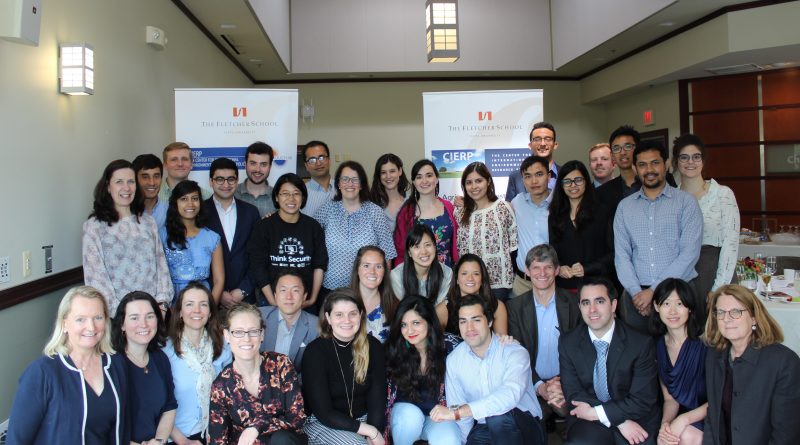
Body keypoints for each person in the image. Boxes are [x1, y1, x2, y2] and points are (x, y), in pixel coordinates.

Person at [8, 286, 130, 445]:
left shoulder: (116, 364)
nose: (91, 327)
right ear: (64, 323)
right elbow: (16, 440)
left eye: (98, 317)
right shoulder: (41, 373)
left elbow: (122, 429)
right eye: (81, 319)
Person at [614, 140, 703, 334]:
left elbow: (689, 253)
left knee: (680, 356)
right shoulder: (624, 207)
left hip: (679, 294)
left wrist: (653, 291)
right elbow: (622, 256)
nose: (649, 170)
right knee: (639, 359)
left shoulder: (686, 203)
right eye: (643, 165)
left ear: (667, 164)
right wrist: (637, 293)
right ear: (635, 169)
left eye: (655, 163)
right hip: (636, 298)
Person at [558, 276, 661, 445]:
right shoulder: (568, 342)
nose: (592, 310)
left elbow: (642, 399)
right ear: (579, 307)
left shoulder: (640, 343)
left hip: (635, 417)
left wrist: (601, 414)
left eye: (599, 301)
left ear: (613, 305)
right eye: (585, 303)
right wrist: (618, 421)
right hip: (589, 419)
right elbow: (574, 394)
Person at [431, 294, 545, 445]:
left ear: (490, 321)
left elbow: (509, 395)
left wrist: (457, 412)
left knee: (498, 418)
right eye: (463, 321)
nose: (469, 328)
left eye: (476, 320)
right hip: (485, 429)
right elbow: (460, 412)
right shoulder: (454, 360)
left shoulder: (514, 352)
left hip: (525, 427)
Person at [703, 284, 800, 445]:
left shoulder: (784, 362)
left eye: (736, 312)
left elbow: (786, 434)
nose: (726, 319)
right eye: (720, 312)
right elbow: (713, 419)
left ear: (754, 317)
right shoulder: (715, 356)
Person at [82, 159, 173, 313]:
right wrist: (122, 315)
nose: (126, 187)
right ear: (108, 187)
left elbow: (161, 265)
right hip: (117, 316)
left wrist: (162, 305)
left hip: (152, 312)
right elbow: (95, 277)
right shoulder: (94, 226)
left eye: (131, 181)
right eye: (119, 182)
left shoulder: (147, 222)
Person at [209, 303, 307, 445]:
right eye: (238, 332)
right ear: (227, 336)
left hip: (285, 442)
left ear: (262, 334)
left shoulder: (281, 364)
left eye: (253, 331)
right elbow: (218, 440)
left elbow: (297, 418)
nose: (247, 339)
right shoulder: (220, 386)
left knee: (281, 439)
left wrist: (257, 427)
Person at [302, 290, 387, 445]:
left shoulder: (373, 346)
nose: (346, 320)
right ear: (328, 318)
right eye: (339, 314)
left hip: (364, 420)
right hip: (323, 423)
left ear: (361, 315)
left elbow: (377, 399)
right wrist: (371, 432)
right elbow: (324, 412)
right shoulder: (315, 352)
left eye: (352, 314)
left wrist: (374, 432)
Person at [507, 244, 582, 420]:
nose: (542, 273)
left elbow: (582, 349)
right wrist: (539, 386)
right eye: (536, 268)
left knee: (569, 414)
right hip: (530, 383)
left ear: (557, 270)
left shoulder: (574, 303)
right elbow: (516, 354)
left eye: (548, 267)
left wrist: (562, 382)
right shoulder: (515, 308)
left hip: (566, 382)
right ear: (527, 270)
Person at [386, 296, 461, 445]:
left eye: (416, 323)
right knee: (410, 416)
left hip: (437, 416)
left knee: (449, 439)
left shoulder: (451, 345)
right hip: (405, 419)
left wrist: (505, 342)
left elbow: (479, 349)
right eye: (404, 325)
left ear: (429, 322)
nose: (409, 330)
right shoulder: (394, 350)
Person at [163, 282, 232, 445]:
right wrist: (183, 441)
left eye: (203, 305)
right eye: (189, 304)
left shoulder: (224, 347)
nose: (197, 311)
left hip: (216, 433)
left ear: (210, 313)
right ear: (179, 312)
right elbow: (157, 405)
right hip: (178, 437)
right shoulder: (165, 351)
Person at [673, 133, 740, 299]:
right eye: (684, 157)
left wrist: (719, 287)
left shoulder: (722, 194)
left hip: (714, 269)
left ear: (703, 160)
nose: (690, 162)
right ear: (676, 162)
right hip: (681, 274)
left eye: (696, 157)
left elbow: (731, 244)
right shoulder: (671, 199)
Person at [248, 173, 328, 308]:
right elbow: (257, 266)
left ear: (303, 198)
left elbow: (319, 265)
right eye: (285, 193)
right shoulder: (263, 227)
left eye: (296, 193)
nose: (291, 198)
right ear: (276, 197)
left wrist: (313, 298)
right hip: (270, 300)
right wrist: (272, 301)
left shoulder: (313, 227)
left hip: (305, 301)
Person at [316, 160, 397, 291]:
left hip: (366, 289)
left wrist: (384, 288)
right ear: (338, 184)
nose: (350, 184)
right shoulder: (327, 210)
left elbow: (387, 253)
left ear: (361, 185)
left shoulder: (375, 212)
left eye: (355, 179)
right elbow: (308, 234)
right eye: (345, 179)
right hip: (330, 289)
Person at [111, 291, 176, 445]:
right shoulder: (111, 364)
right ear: (122, 324)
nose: (144, 324)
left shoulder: (159, 358)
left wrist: (159, 441)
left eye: (150, 316)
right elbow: (105, 423)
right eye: (134, 318)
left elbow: (170, 406)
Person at [649, 279, 707, 445]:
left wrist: (683, 420)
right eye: (666, 303)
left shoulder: (706, 344)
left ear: (689, 307)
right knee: (664, 439)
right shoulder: (657, 346)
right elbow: (670, 399)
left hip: (708, 414)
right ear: (656, 307)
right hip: (678, 415)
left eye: (680, 304)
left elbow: (720, 398)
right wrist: (665, 425)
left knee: (685, 436)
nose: (673, 311)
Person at [202, 158, 261, 307]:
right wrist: (217, 291)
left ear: (237, 180)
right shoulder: (200, 213)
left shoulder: (251, 212)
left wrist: (243, 289)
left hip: (245, 299)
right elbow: (198, 258)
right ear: (211, 181)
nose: (226, 185)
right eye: (220, 179)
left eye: (231, 179)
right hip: (212, 299)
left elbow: (258, 255)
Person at [548, 160, 614, 292]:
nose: (573, 185)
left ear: (586, 181)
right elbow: (553, 251)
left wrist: (587, 268)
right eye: (567, 181)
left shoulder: (602, 212)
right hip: (565, 288)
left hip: (596, 286)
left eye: (578, 180)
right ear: (561, 185)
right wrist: (559, 267)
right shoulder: (555, 215)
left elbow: (612, 254)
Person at [455, 162, 517, 300]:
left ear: (488, 181)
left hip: (498, 284)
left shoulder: (503, 208)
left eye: (479, 181)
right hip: (468, 284)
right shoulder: (459, 212)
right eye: (469, 182)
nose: (474, 186)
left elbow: (514, 248)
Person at [161, 180, 225, 303]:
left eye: (195, 198)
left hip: (203, 300)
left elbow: (219, 280)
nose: (190, 204)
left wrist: (210, 309)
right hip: (172, 302)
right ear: (175, 203)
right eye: (184, 199)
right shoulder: (162, 235)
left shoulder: (212, 237)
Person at [394, 159, 459, 268]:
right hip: (417, 277)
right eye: (419, 177)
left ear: (437, 178)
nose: (424, 181)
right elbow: (401, 252)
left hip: (448, 275)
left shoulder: (449, 207)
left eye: (429, 175)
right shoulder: (406, 213)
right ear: (414, 182)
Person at [259, 270, 320, 372]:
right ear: (275, 295)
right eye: (283, 290)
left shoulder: (316, 326)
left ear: (304, 296)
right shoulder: (258, 317)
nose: (289, 297)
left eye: (295, 290)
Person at [391, 225, 453, 325]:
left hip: (435, 325)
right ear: (409, 253)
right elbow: (403, 313)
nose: (423, 251)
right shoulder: (397, 275)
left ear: (434, 246)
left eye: (428, 245)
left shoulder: (446, 273)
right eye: (417, 246)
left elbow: (440, 311)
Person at [510, 155, 552, 297]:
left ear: (549, 176)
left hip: (551, 282)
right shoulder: (517, 201)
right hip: (523, 283)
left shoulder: (560, 204)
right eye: (528, 176)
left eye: (539, 174)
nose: (534, 181)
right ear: (523, 180)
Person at [443, 254, 508, 336]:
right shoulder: (445, 308)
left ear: (482, 279)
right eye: (464, 273)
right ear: (457, 279)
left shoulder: (497, 306)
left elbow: (502, 342)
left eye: (476, 274)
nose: (470, 278)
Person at [349, 245, 398, 343]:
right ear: (357, 270)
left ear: (384, 271)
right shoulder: (340, 301)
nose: (372, 272)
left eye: (378, 266)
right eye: (366, 266)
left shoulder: (394, 305)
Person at [506, 121, 559, 201]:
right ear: (530, 145)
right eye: (537, 139)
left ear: (555, 145)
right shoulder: (516, 177)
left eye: (547, 139)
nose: (542, 144)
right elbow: (510, 209)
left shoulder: (565, 174)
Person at [596, 126, 641, 216]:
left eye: (627, 146)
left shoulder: (654, 183)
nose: (622, 152)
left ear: (638, 149)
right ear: (612, 156)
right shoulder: (602, 192)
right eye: (616, 148)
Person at [235, 141, 276, 218]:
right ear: (245, 164)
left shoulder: (278, 197)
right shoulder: (232, 194)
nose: (258, 169)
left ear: (270, 166)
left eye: (263, 164)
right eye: (253, 163)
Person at [370, 153, 410, 232]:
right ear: (379, 176)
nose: (388, 176)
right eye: (383, 172)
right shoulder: (373, 204)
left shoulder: (410, 201)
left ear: (400, 171)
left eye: (392, 171)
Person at [301, 140, 336, 219]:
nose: (318, 163)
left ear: (329, 160)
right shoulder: (300, 193)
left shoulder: (343, 188)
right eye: (312, 160)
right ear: (306, 166)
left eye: (321, 157)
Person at [133, 153, 168, 229]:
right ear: (134, 179)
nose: (152, 182)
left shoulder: (169, 211)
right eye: (145, 177)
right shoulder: (126, 212)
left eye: (156, 176)